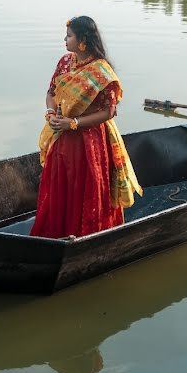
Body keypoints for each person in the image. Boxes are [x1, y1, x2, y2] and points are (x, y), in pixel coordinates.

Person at [30, 16, 142, 239]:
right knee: (61, 186)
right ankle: (57, 234)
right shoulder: (64, 62)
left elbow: (109, 112)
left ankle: (88, 235)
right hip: (61, 136)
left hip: (90, 141)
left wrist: (73, 123)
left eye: (69, 36)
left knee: (85, 187)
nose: (65, 39)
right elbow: (51, 93)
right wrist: (51, 113)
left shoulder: (101, 71)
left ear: (82, 40)